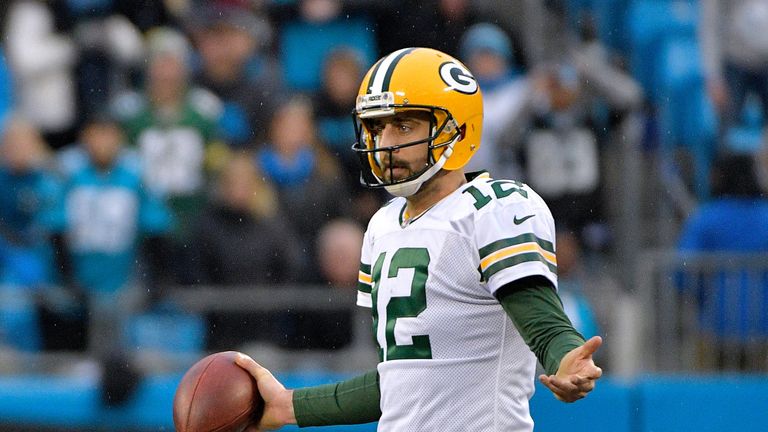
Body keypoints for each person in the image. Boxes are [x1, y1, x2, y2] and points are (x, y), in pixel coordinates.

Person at [236, 47, 602, 431]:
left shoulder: (492, 209)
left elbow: (545, 327)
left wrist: (565, 358)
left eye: (404, 126)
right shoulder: (383, 224)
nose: (385, 142)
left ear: (458, 129)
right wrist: (290, 406)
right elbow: (404, 382)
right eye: (377, 127)